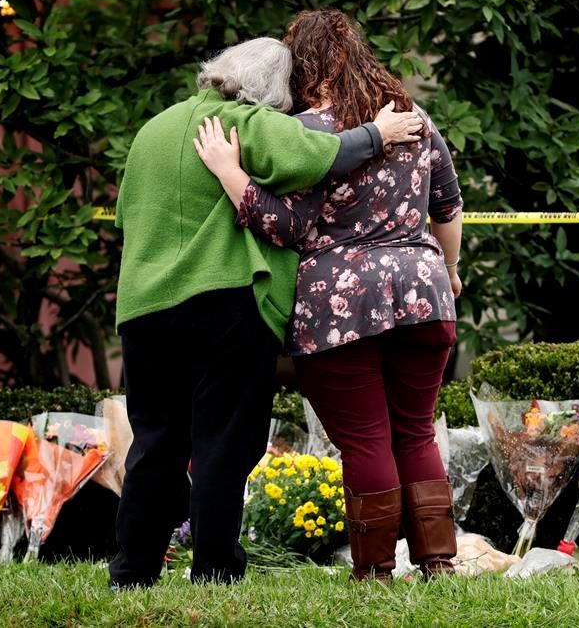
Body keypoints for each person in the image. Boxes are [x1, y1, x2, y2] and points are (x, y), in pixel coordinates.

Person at [109, 36, 425, 589]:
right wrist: (381, 132)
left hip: (145, 308)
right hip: (223, 302)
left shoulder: (152, 131)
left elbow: (125, 217)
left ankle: (131, 572)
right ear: (271, 91)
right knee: (222, 443)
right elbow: (322, 153)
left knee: (155, 442)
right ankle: (212, 570)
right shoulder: (249, 123)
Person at [194, 11, 464, 581]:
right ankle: (437, 560)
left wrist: (228, 172)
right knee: (415, 429)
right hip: (423, 290)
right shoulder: (414, 118)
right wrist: (452, 269)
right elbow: (448, 204)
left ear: (304, 67)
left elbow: (282, 224)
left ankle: (374, 571)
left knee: (366, 438)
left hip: (341, 307)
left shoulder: (309, 133)